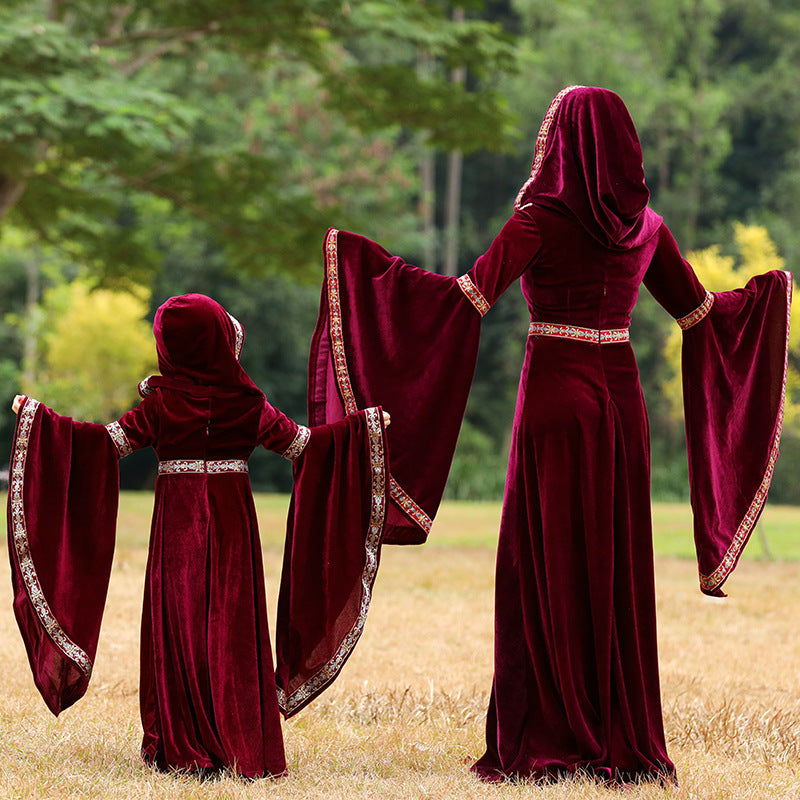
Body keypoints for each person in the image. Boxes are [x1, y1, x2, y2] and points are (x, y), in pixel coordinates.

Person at [306, 86, 792, 783]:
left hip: (556, 399)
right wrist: (764, 299)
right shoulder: (648, 228)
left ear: (563, 143)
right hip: (620, 404)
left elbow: (467, 297)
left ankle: (551, 732)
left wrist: (369, 275)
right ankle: (615, 732)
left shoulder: (538, 220)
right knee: (613, 559)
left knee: (545, 559)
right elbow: (702, 314)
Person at [8, 293, 390, 778]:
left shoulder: (164, 403)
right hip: (232, 526)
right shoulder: (247, 403)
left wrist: (39, 422)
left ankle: (181, 740)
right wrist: (362, 429)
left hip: (178, 525)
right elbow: (304, 445)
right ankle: (238, 740)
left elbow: (103, 444)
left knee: (180, 620)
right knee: (231, 623)